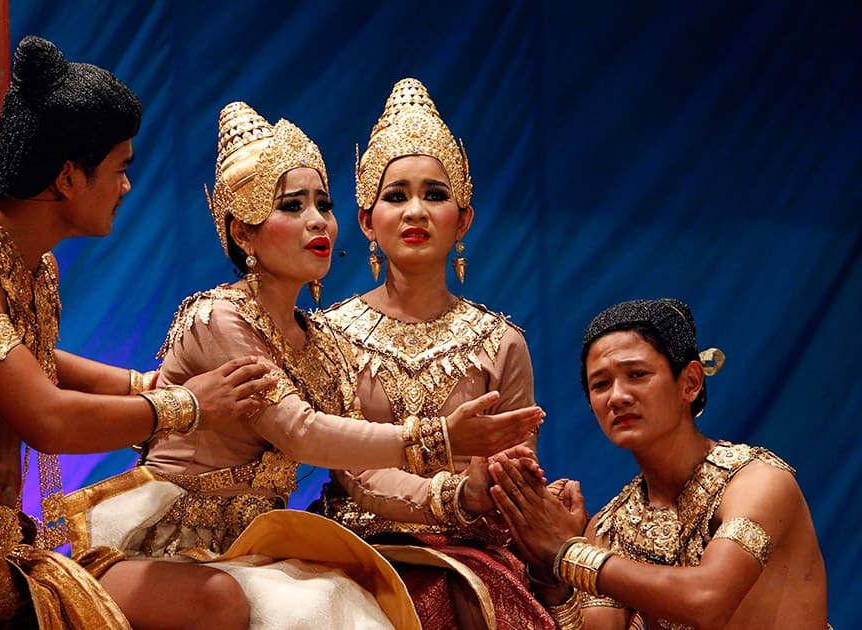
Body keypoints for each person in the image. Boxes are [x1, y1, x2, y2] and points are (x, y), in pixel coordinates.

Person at [66, 101, 544, 630]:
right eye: (292, 206)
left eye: (323, 204)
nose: (317, 221)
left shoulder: (320, 342)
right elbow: (301, 433)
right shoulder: (220, 316)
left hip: (253, 548)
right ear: (243, 234)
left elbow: (359, 470)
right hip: (168, 543)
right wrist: (440, 440)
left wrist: (463, 492)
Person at [0, 36, 275, 629]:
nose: (127, 188)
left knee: (212, 598)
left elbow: (34, 361)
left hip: (6, 548)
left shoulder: (37, 265)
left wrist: (142, 383)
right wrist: (183, 406)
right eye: (119, 169)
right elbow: (47, 419)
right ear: (67, 178)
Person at [312, 77, 554, 629]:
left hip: (477, 555)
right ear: (368, 222)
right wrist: (458, 491)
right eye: (395, 196)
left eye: (435, 195)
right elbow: (354, 471)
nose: (415, 211)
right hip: (357, 549)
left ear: (463, 219)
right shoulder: (329, 336)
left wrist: (492, 487)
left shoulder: (501, 342)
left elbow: (514, 467)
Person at [488, 298, 830, 629]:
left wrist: (567, 552)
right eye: (601, 384)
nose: (618, 396)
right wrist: (550, 573)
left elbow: (707, 599)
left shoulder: (757, 482)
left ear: (690, 382)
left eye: (637, 374)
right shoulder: (614, 526)